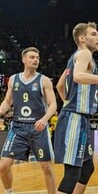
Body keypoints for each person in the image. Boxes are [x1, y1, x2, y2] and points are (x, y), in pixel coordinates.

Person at [53, 22, 98, 194]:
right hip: (74, 118)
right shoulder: (84, 53)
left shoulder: (78, 57)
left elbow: (59, 86)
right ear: (82, 38)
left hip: (80, 118)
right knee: (72, 173)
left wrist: (67, 103)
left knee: (87, 168)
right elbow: (77, 76)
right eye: (93, 34)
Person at [0, 47, 57, 194]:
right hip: (18, 127)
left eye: (37, 58)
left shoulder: (44, 80)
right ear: (23, 59)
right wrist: (1, 110)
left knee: (47, 167)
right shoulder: (13, 79)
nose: (35, 60)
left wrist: (44, 120)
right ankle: (9, 192)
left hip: (38, 128)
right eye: (32, 57)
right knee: (3, 166)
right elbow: (7, 101)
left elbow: (53, 104)